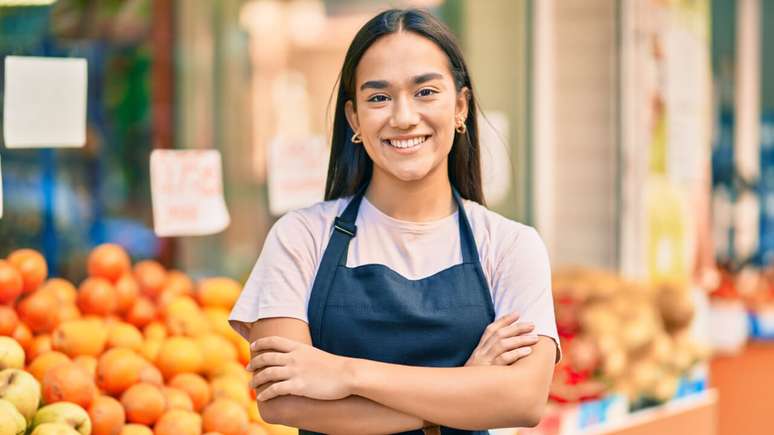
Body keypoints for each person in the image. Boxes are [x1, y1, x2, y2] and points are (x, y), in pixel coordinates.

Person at [229, 8, 561, 434]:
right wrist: (464, 390)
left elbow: (522, 399)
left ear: (460, 107)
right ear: (354, 119)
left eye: (425, 92)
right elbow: (284, 401)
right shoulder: (301, 237)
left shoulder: (511, 244)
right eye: (379, 97)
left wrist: (345, 374)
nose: (403, 117)